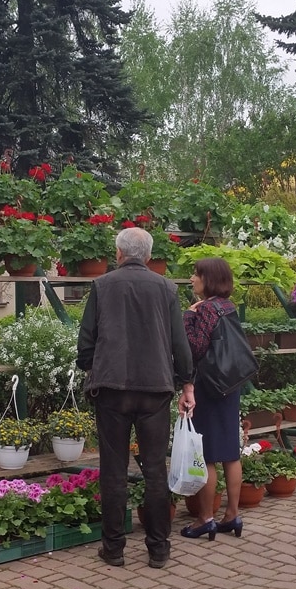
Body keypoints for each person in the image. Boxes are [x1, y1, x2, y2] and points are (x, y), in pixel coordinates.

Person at [77, 227, 194, 569]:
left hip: (111, 388)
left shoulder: (101, 285)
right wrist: (187, 384)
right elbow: (179, 344)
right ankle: (158, 549)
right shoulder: (167, 288)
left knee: (113, 470)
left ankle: (113, 549)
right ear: (147, 256)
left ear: (118, 253)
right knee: (155, 469)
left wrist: (91, 366)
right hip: (155, 388)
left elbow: (87, 340)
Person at [180, 257, 244, 541]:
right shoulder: (228, 306)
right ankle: (232, 515)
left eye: (196, 275)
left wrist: (187, 316)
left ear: (209, 279)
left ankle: (205, 518)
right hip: (230, 384)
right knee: (230, 452)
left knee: (206, 453)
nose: (192, 279)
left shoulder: (205, 309)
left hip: (208, 387)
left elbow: (194, 348)